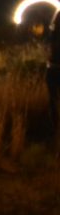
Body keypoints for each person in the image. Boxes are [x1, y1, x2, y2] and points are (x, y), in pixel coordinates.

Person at [47, 11, 60, 142]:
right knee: (53, 100)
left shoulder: (53, 32)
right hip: (54, 67)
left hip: (53, 67)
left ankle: (55, 130)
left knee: (53, 100)